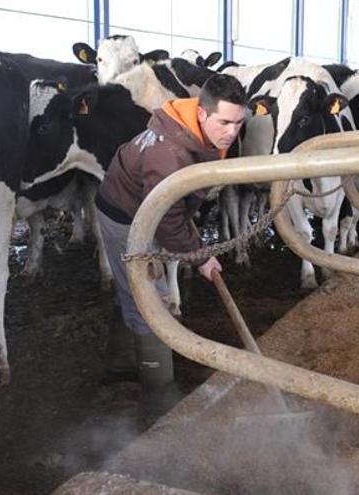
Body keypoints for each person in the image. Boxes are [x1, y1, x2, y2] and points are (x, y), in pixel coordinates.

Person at [94, 73, 247, 408]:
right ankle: (158, 394)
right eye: (225, 122)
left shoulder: (199, 129)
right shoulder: (170, 153)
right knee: (152, 297)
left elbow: (172, 208)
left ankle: (120, 362)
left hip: (146, 207)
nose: (232, 132)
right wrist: (200, 257)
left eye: (239, 122)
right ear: (203, 114)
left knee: (130, 288)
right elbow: (167, 217)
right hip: (126, 215)